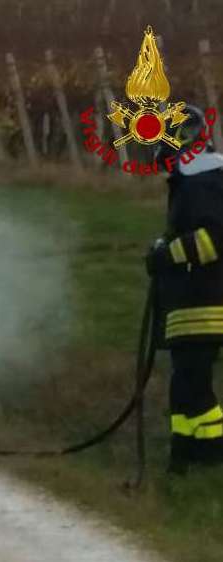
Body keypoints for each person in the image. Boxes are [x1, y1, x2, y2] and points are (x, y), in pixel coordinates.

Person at [145, 104, 223, 475]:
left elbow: (214, 240)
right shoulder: (195, 181)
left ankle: (211, 455)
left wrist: (166, 256)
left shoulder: (203, 182)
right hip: (190, 304)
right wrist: (163, 248)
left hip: (205, 303)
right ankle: (184, 456)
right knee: (185, 384)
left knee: (194, 385)